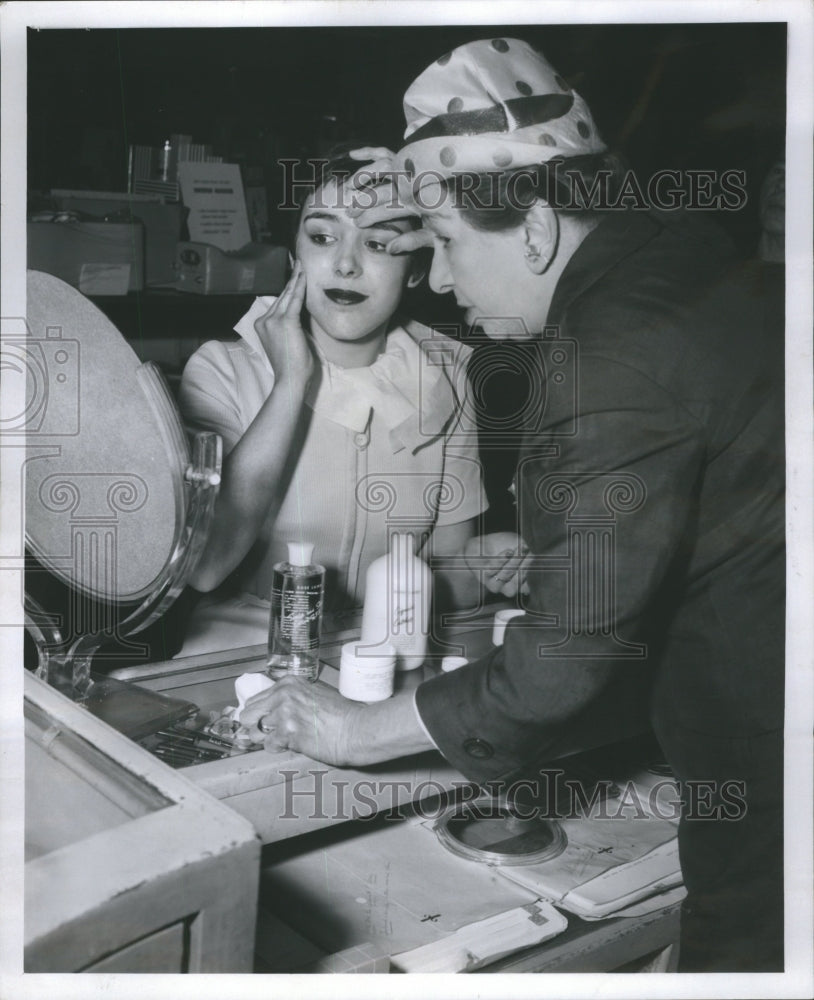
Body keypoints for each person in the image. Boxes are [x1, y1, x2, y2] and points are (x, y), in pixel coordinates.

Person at [239, 39, 784, 972]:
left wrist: (357, 729)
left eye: (444, 245)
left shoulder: (613, 358)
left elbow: (559, 665)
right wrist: (421, 178)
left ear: (534, 228)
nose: (440, 282)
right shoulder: (675, 251)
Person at [178, 149, 489, 632]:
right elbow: (205, 565)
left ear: (416, 269)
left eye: (379, 245)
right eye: (322, 237)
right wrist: (288, 386)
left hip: (391, 651)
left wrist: (491, 564)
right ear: (293, 257)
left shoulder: (447, 379)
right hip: (241, 655)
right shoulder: (221, 371)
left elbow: (455, 576)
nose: (345, 264)